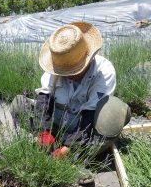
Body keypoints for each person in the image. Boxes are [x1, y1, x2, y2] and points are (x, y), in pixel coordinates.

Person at [10, 21, 131, 160]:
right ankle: (52, 149)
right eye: (66, 70)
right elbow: (44, 100)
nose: (69, 74)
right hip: (57, 124)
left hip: (86, 129)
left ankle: (75, 156)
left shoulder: (103, 71)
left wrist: (70, 146)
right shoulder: (56, 65)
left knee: (114, 109)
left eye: (74, 69)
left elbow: (89, 117)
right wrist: (44, 131)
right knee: (19, 104)